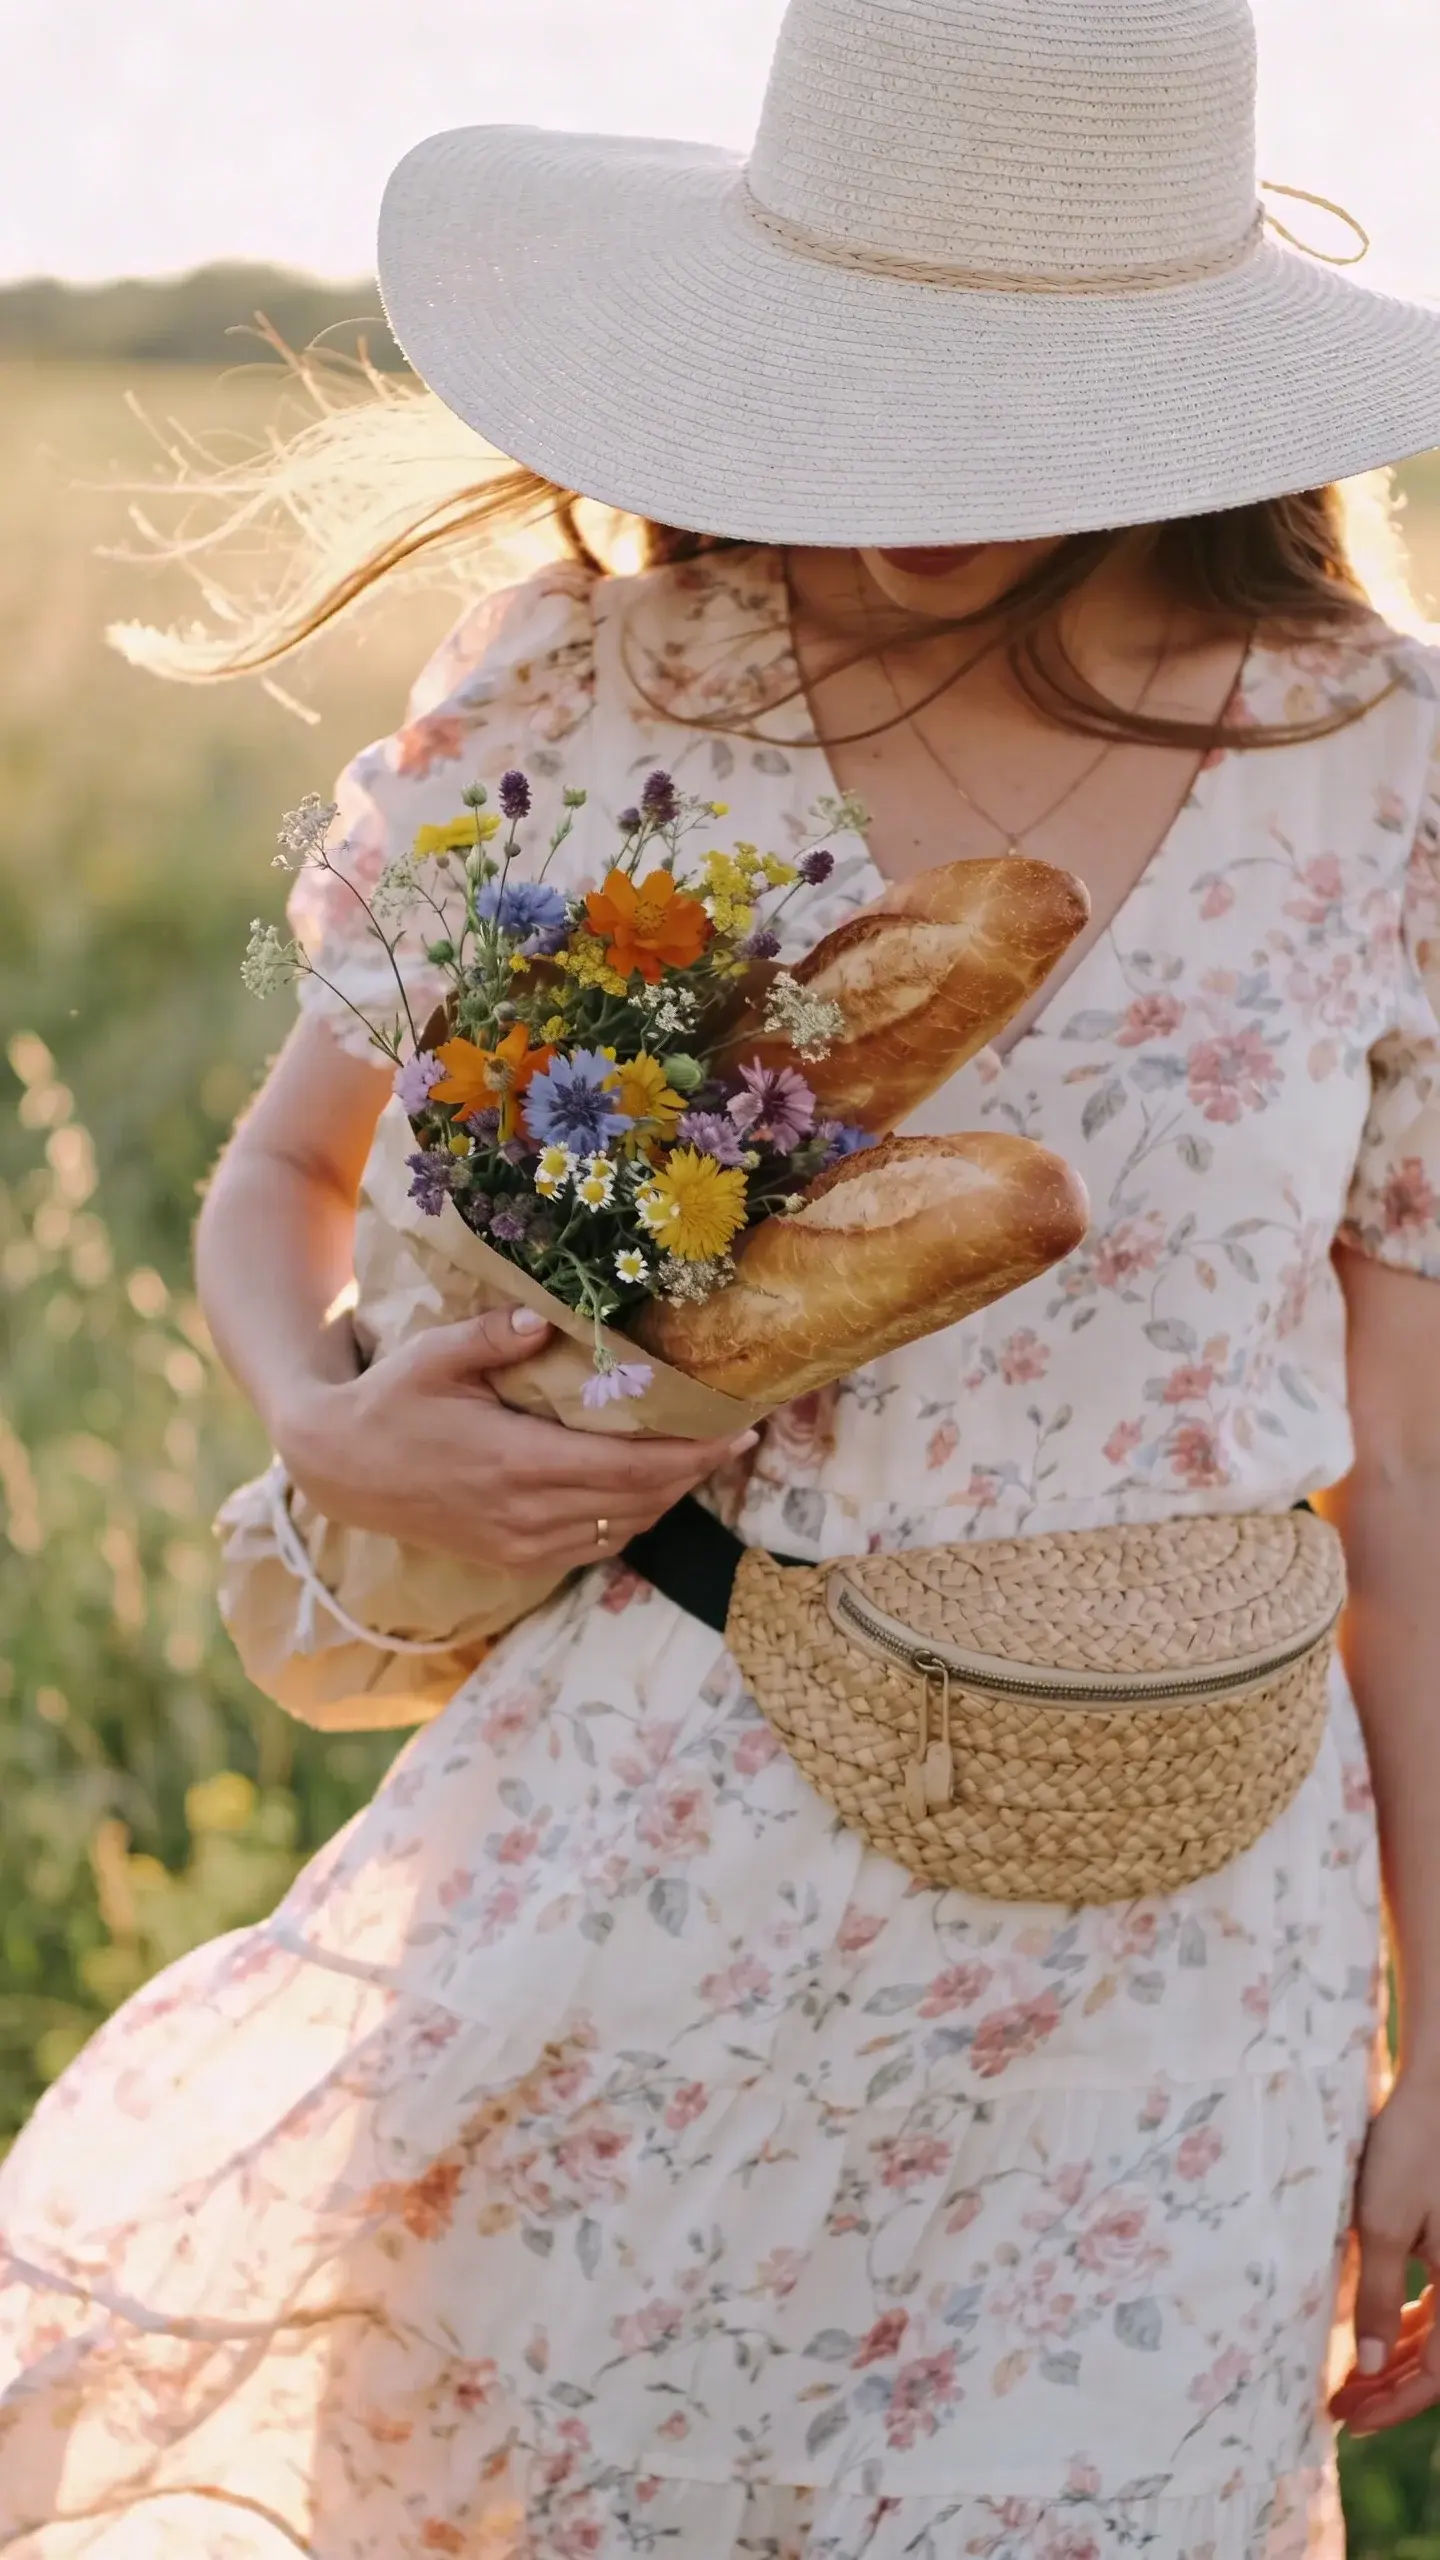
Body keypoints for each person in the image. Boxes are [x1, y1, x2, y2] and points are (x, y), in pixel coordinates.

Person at [4, 0, 1440, 2551]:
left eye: (1008, 405)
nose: (917, 482)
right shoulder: (594, 682)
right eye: (870, 383)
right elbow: (276, 1191)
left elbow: (1415, 1464)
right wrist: (318, 1412)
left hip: (1186, 1962)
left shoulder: (1389, 762)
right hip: (640, 1863)